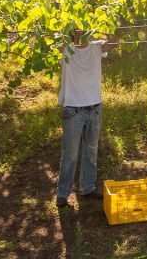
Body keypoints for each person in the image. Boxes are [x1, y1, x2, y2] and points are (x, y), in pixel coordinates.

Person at [55, 30, 116, 207]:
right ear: (72, 32)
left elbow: (115, 41)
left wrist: (105, 26)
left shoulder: (97, 47)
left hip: (95, 107)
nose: (82, 32)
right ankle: (63, 193)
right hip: (73, 110)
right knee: (70, 154)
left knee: (91, 150)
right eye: (77, 29)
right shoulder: (66, 49)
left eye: (85, 28)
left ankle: (87, 186)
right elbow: (48, 45)